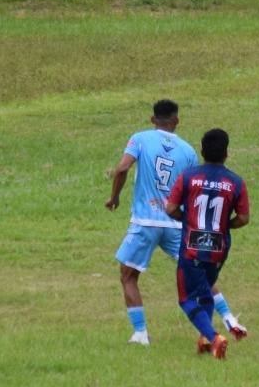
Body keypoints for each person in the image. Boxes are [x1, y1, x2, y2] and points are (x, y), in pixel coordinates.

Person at [107, 100, 246, 345]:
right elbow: (197, 183)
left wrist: (114, 197)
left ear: (153, 120)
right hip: (177, 225)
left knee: (128, 276)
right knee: (201, 276)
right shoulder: (188, 151)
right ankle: (228, 318)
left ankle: (140, 334)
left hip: (146, 221)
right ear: (177, 120)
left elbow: (122, 169)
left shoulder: (139, 139)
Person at [164, 128, 250, 359]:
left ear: (201, 151)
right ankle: (204, 339)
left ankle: (214, 337)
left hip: (192, 246)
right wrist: (224, 226)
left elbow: (170, 208)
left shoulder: (188, 177)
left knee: (186, 299)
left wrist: (186, 219)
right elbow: (243, 218)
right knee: (205, 292)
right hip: (219, 248)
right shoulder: (236, 182)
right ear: (227, 153)